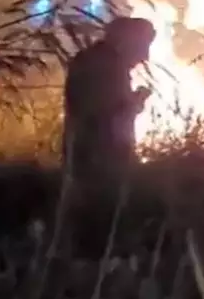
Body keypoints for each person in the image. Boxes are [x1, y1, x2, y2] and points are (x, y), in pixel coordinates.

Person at [63, 16, 156, 184]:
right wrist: (136, 101)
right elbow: (109, 117)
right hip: (101, 163)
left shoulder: (92, 60)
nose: (145, 56)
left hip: (85, 158)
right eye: (143, 46)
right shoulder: (108, 67)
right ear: (126, 40)